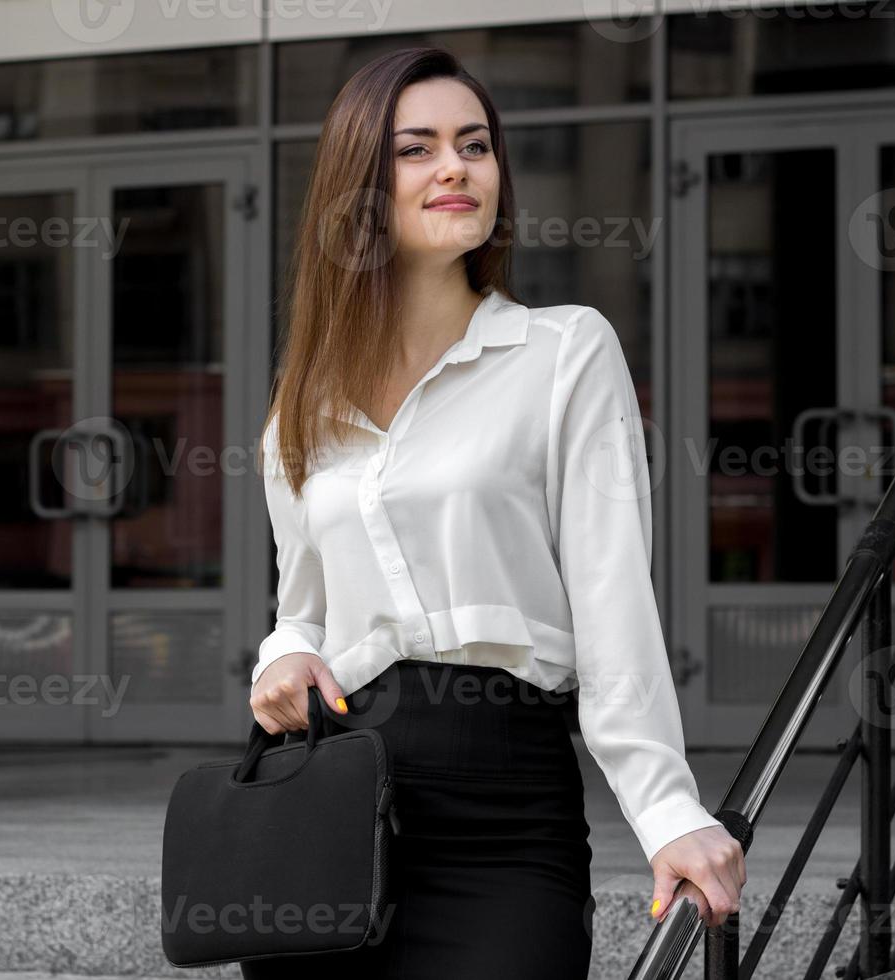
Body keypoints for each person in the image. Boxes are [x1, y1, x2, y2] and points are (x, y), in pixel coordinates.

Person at [243, 45, 745, 979]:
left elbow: (610, 602)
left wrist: (668, 810)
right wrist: (280, 659)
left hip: (505, 804)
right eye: (416, 148)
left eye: (474, 145)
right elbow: (301, 607)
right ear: (358, 183)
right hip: (331, 805)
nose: (455, 168)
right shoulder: (301, 406)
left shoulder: (563, 353)